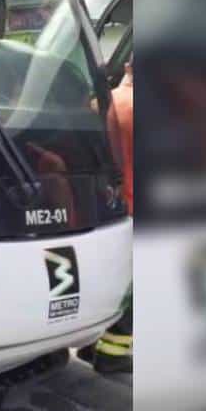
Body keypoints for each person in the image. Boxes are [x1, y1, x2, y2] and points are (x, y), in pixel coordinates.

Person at [78, 56, 133, 374]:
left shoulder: (100, 102)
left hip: (104, 209)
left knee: (108, 281)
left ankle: (89, 343)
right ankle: (113, 353)